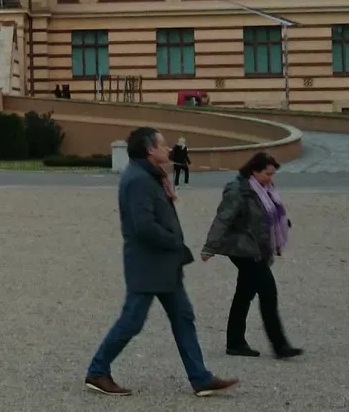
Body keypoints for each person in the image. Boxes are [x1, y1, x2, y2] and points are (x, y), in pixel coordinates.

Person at [84, 127, 239, 398]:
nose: (168, 149)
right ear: (149, 150)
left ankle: (200, 378)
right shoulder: (138, 180)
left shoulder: (150, 175)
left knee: (183, 317)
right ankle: (98, 371)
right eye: (163, 144)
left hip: (164, 264)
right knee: (132, 321)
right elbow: (144, 226)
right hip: (148, 264)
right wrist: (174, 241)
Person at [201, 151, 302, 360]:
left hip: (256, 248)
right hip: (243, 249)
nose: (271, 178)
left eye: (272, 174)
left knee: (245, 292)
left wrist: (283, 224)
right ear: (254, 171)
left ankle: (235, 342)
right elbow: (223, 218)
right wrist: (210, 247)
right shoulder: (238, 190)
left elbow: (266, 216)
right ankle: (280, 345)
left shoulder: (265, 190)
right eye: (267, 173)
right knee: (268, 292)